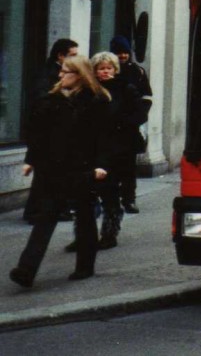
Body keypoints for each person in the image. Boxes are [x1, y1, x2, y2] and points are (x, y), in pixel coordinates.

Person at [10, 55, 111, 288]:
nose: (60, 75)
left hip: (82, 169)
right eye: (62, 71)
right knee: (46, 218)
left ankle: (85, 266)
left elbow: (104, 138)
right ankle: (26, 270)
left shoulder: (96, 101)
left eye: (66, 71)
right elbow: (38, 134)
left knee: (85, 217)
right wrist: (31, 159)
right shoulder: (51, 100)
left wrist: (101, 165)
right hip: (54, 170)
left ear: (79, 75)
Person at [24, 38, 79, 224]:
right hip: (46, 129)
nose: (75, 59)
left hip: (57, 130)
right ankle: (34, 212)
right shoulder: (48, 74)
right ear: (60, 56)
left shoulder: (59, 72)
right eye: (72, 55)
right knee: (44, 174)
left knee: (56, 173)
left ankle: (57, 209)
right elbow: (41, 101)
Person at [91, 51, 141, 248]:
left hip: (119, 148)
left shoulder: (125, 88)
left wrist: (121, 125)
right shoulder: (91, 89)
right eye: (101, 68)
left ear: (115, 69)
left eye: (108, 68)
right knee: (88, 193)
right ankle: (83, 236)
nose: (105, 72)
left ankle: (109, 234)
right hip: (95, 147)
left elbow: (139, 114)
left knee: (110, 191)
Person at [108, 36, 152, 214]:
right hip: (110, 130)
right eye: (119, 52)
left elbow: (147, 98)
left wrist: (137, 118)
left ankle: (128, 199)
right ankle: (111, 200)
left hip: (129, 129)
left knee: (128, 168)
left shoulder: (137, 72)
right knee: (110, 167)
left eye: (125, 52)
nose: (123, 55)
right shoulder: (107, 70)